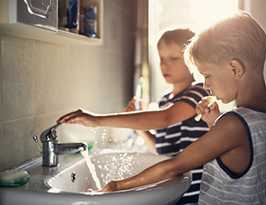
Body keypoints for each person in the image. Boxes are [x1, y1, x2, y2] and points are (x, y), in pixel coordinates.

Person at [57, 10, 266, 204]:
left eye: (207, 75)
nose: (205, 84)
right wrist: (214, 124)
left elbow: (173, 167)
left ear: (235, 69)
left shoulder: (234, 123)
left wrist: (116, 187)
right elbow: (244, 152)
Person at [59, 28, 211, 204]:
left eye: (173, 58)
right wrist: (140, 128)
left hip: (194, 191)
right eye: (161, 58)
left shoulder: (199, 92)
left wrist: (98, 120)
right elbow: (160, 149)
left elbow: (165, 118)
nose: (164, 65)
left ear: (191, 60)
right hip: (174, 189)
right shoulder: (164, 100)